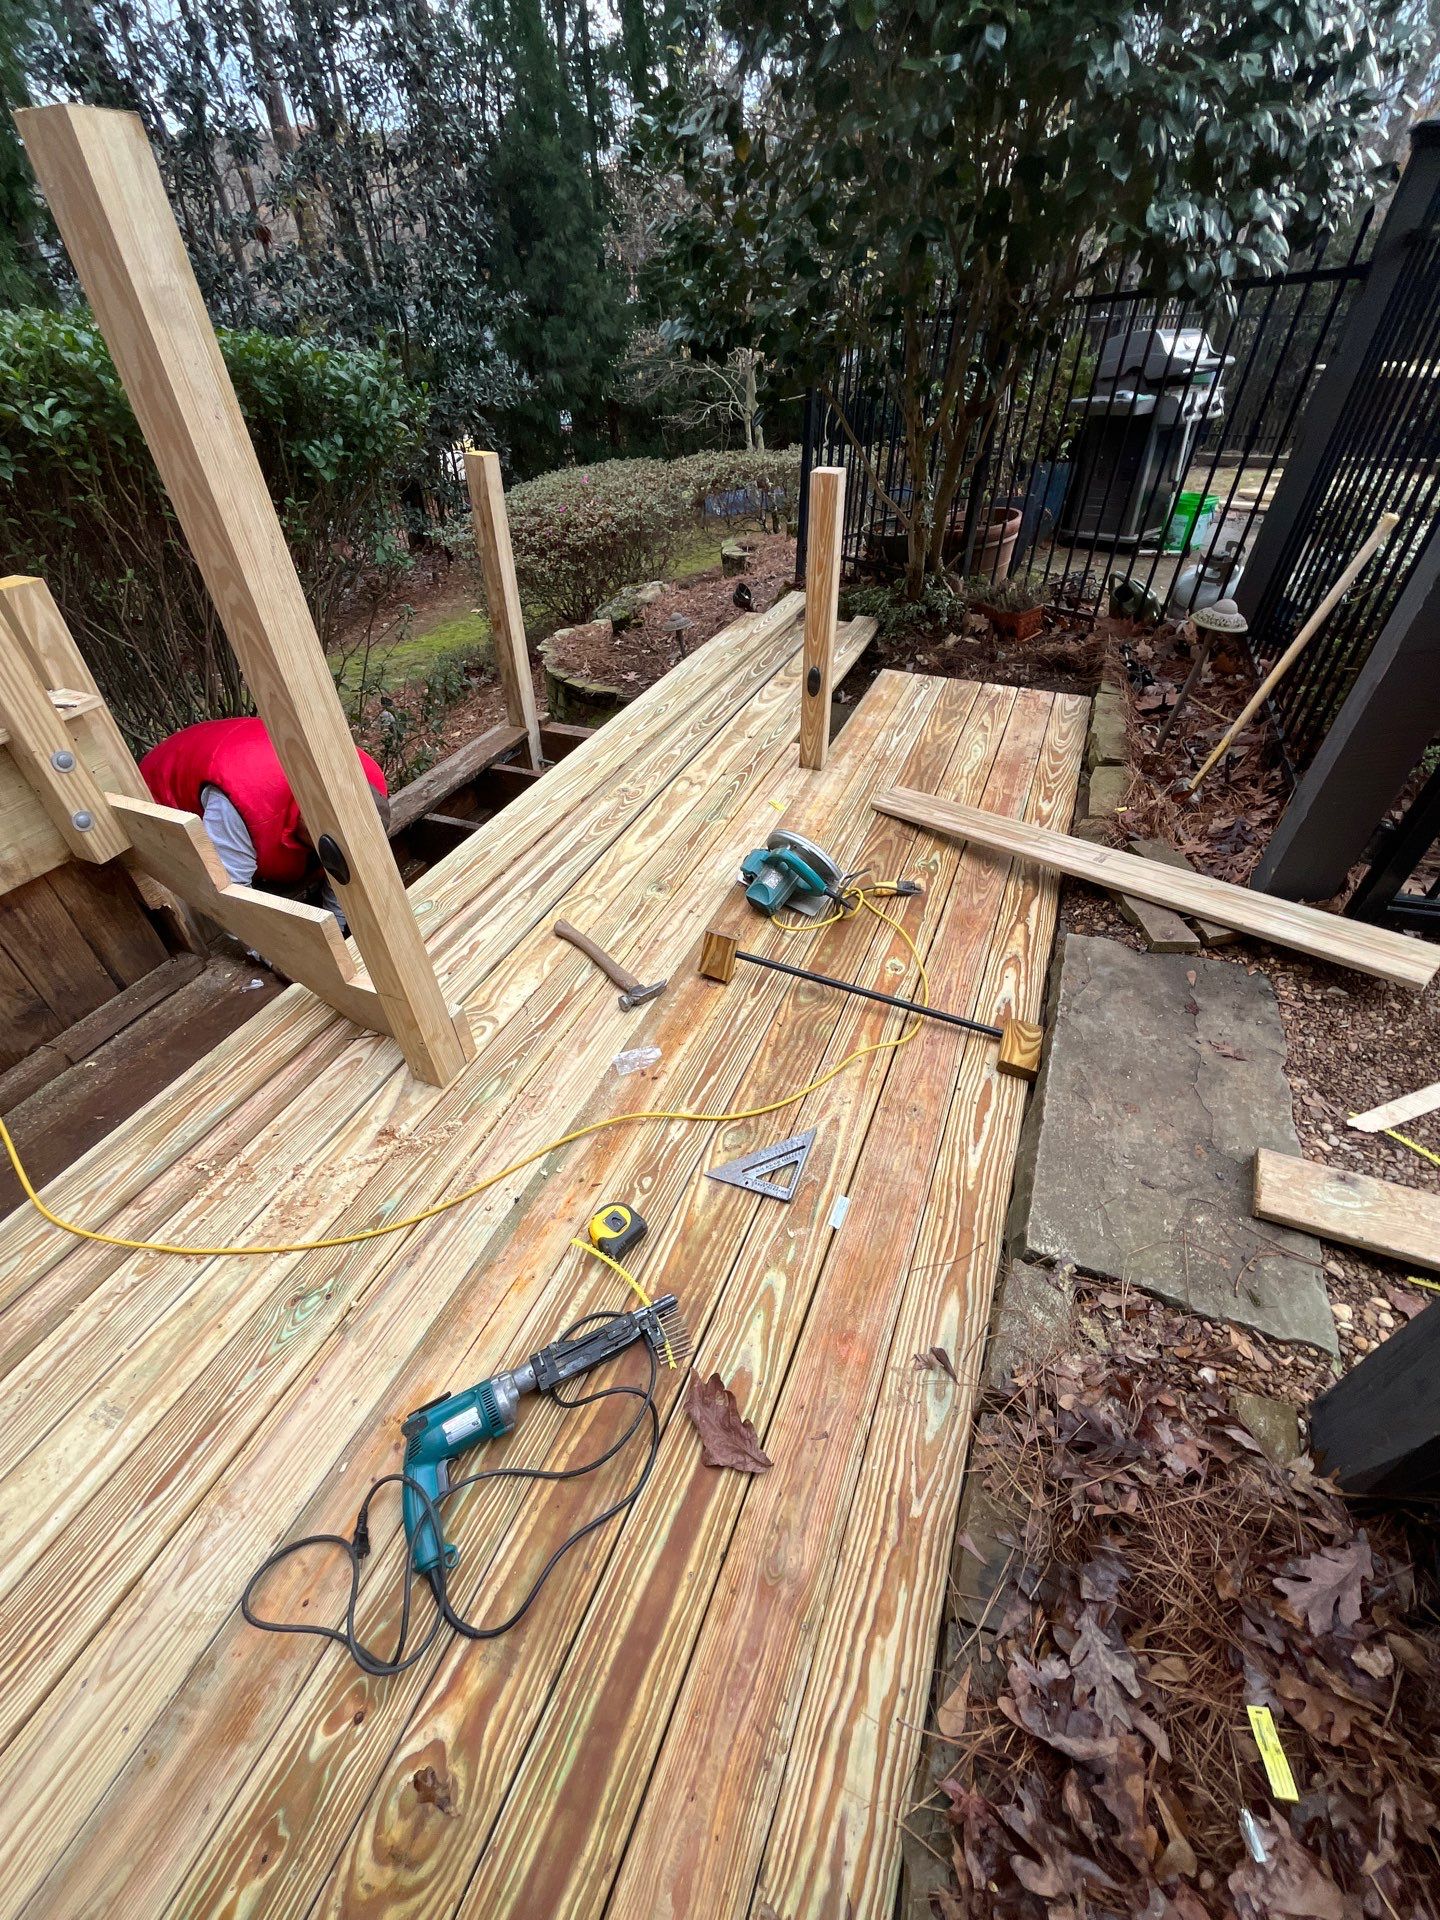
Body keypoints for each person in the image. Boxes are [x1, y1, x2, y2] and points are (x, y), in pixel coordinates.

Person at [140, 716, 389, 929]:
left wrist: (341, 926)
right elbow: (228, 893)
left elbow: (349, 871)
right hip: (157, 792)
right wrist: (278, 958)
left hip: (242, 760)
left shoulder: (366, 780)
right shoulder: (241, 804)